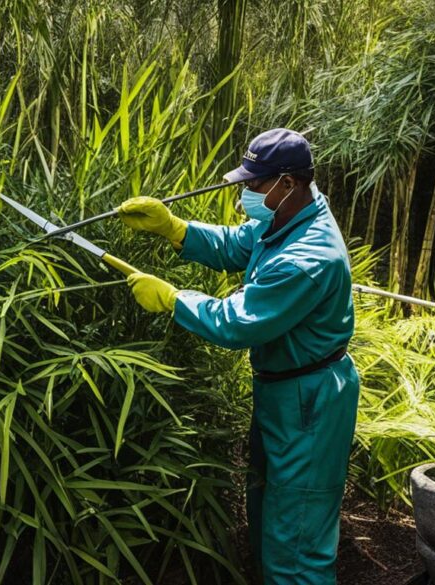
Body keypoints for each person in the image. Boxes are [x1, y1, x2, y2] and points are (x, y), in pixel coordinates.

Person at [117, 128, 360, 584]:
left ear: (287, 182)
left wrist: (172, 299)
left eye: (253, 184)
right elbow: (238, 245)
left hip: (310, 401)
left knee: (299, 536)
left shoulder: (308, 258)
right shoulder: (292, 214)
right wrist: (176, 229)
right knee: (271, 513)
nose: (245, 193)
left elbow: (236, 321)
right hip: (283, 389)